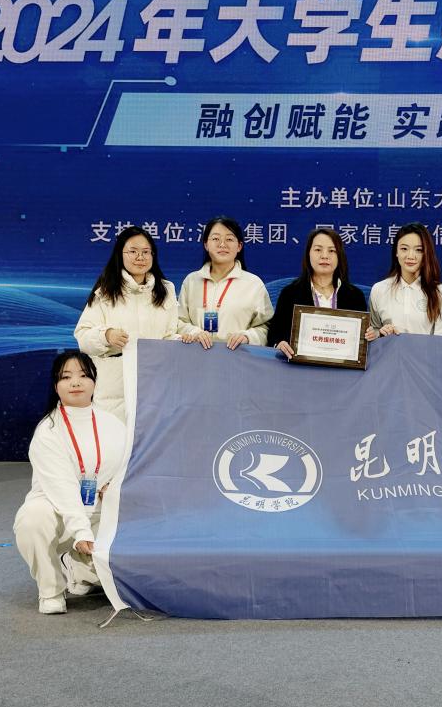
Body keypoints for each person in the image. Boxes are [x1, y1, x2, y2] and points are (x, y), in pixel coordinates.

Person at [14, 352, 127, 614]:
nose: (75, 382)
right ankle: (51, 590)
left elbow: (128, 467)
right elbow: (63, 489)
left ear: (95, 382)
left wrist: (115, 485)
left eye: (83, 375)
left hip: (101, 511)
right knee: (32, 520)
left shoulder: (113, 424)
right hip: (59, 511)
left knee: (123, 568)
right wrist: (81, 532)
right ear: (56, 386)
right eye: (66, 377)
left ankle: (78, 569)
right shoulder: (48, 431)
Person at [74, 227, 183, 420]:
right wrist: (106, 335)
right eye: (133, 251)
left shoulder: (166, 290)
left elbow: (169, 334)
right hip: (115, 390)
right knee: (116, 437)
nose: (140, 257)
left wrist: (185, 339)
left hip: (156, 386)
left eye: (146, 252)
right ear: (120, 254)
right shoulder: (106, 290)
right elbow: (82, 336)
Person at [268, 228, 377, 358]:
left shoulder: (355, 296)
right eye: (318, 250)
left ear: (339, 256)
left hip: (342, 367)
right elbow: (274, 335)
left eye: (332, 251)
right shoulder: (290, 293)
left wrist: (368, 334)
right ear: (308, 254)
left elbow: (360, 342)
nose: (324, 256)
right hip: (300, 366)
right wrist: (279, 344)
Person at [177, 217, 273, 350]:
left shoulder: (254, 284)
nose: (222, 244)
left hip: (237, 356)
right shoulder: (191, 281)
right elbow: (178, 320)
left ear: (239, 246)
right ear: (206, 245)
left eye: (229, 239)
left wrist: (248, 337)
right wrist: (194, 332)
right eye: (215, 238)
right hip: (196, 355)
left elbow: (266, 326)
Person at [369, 222, 442, 336]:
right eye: (404, 249)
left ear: (426, 253)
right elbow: (373, 333)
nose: (410, 256)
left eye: (419, 250)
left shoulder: (439, 291)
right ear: (396, 252)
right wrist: (380, 333)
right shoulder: (379, 289)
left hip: (428, 349)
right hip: (390, 348)